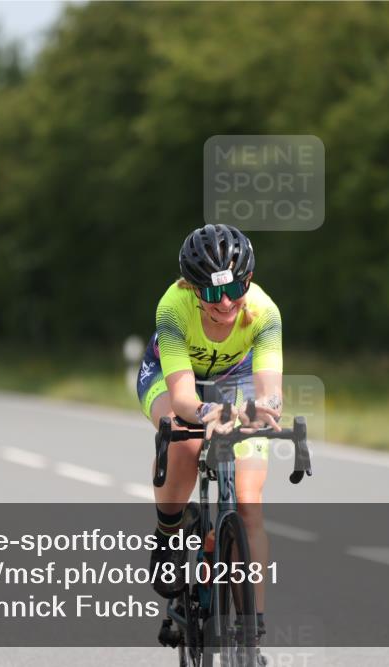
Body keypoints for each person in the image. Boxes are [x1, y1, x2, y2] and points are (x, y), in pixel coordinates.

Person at [137, 223, 283, 637]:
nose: (225, 303)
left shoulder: (266, 312)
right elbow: (183, 396)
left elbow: (271, 390)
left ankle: (251, 624)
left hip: (236, 379)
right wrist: (206, 412)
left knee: (249, 502)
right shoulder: (173, 306)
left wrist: (262, 410)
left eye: (234, 290)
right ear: (191, 287)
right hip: (177, 380)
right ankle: (168, 532)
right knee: (181, 438)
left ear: (248, 280)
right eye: (212, 293)